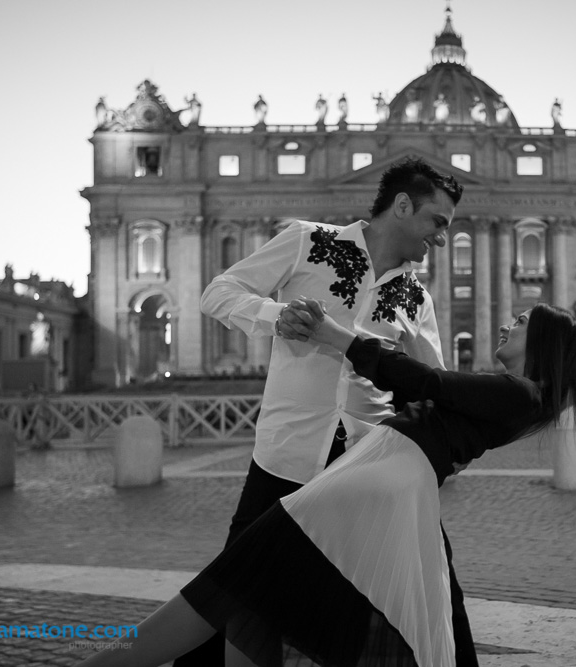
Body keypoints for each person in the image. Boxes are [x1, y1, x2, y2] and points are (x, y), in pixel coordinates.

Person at [76, 303, 576, 667]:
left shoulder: (521, 394)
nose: (509, 324)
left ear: (546, 343)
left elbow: (429, 383)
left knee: (231, 586)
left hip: (370, 484)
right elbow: (435, 404)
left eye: (522, 320)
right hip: (379, 480)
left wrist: (337, 336)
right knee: (253, 599)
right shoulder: (516, 396)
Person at [184, 157, 463, 666]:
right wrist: (275, 316)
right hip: (283, 461)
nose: (442, 238)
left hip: (362, 474)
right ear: (402, 206)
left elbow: (431, 386)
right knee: (245, 605)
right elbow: (217, 293)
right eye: (437, 222)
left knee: (357, 616)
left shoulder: (417, 297)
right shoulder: (308, 240)